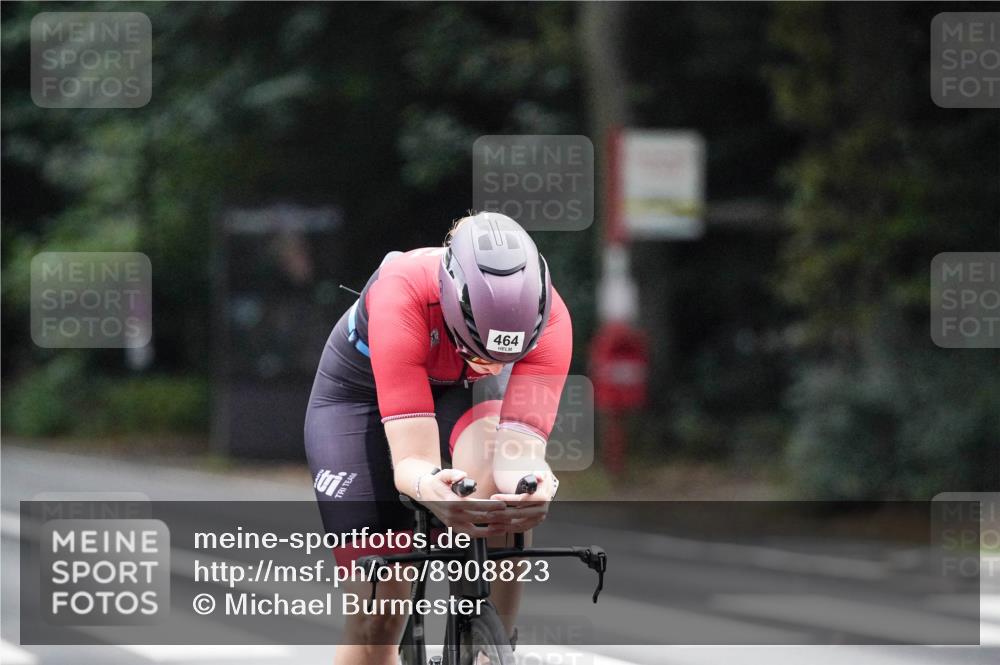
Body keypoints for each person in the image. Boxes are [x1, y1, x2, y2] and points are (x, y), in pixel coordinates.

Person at [304, 211, 572, 664]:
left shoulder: (551, 319)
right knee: (378, 617)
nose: (493, 364)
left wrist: (534, 483)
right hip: (360, 400)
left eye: (504, 357)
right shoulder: (402, 293)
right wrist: (431, 486)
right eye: (479, 349)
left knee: (505, 497)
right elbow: (413, 461)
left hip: (461, 392)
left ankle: (489, 647)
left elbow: (521, 451)